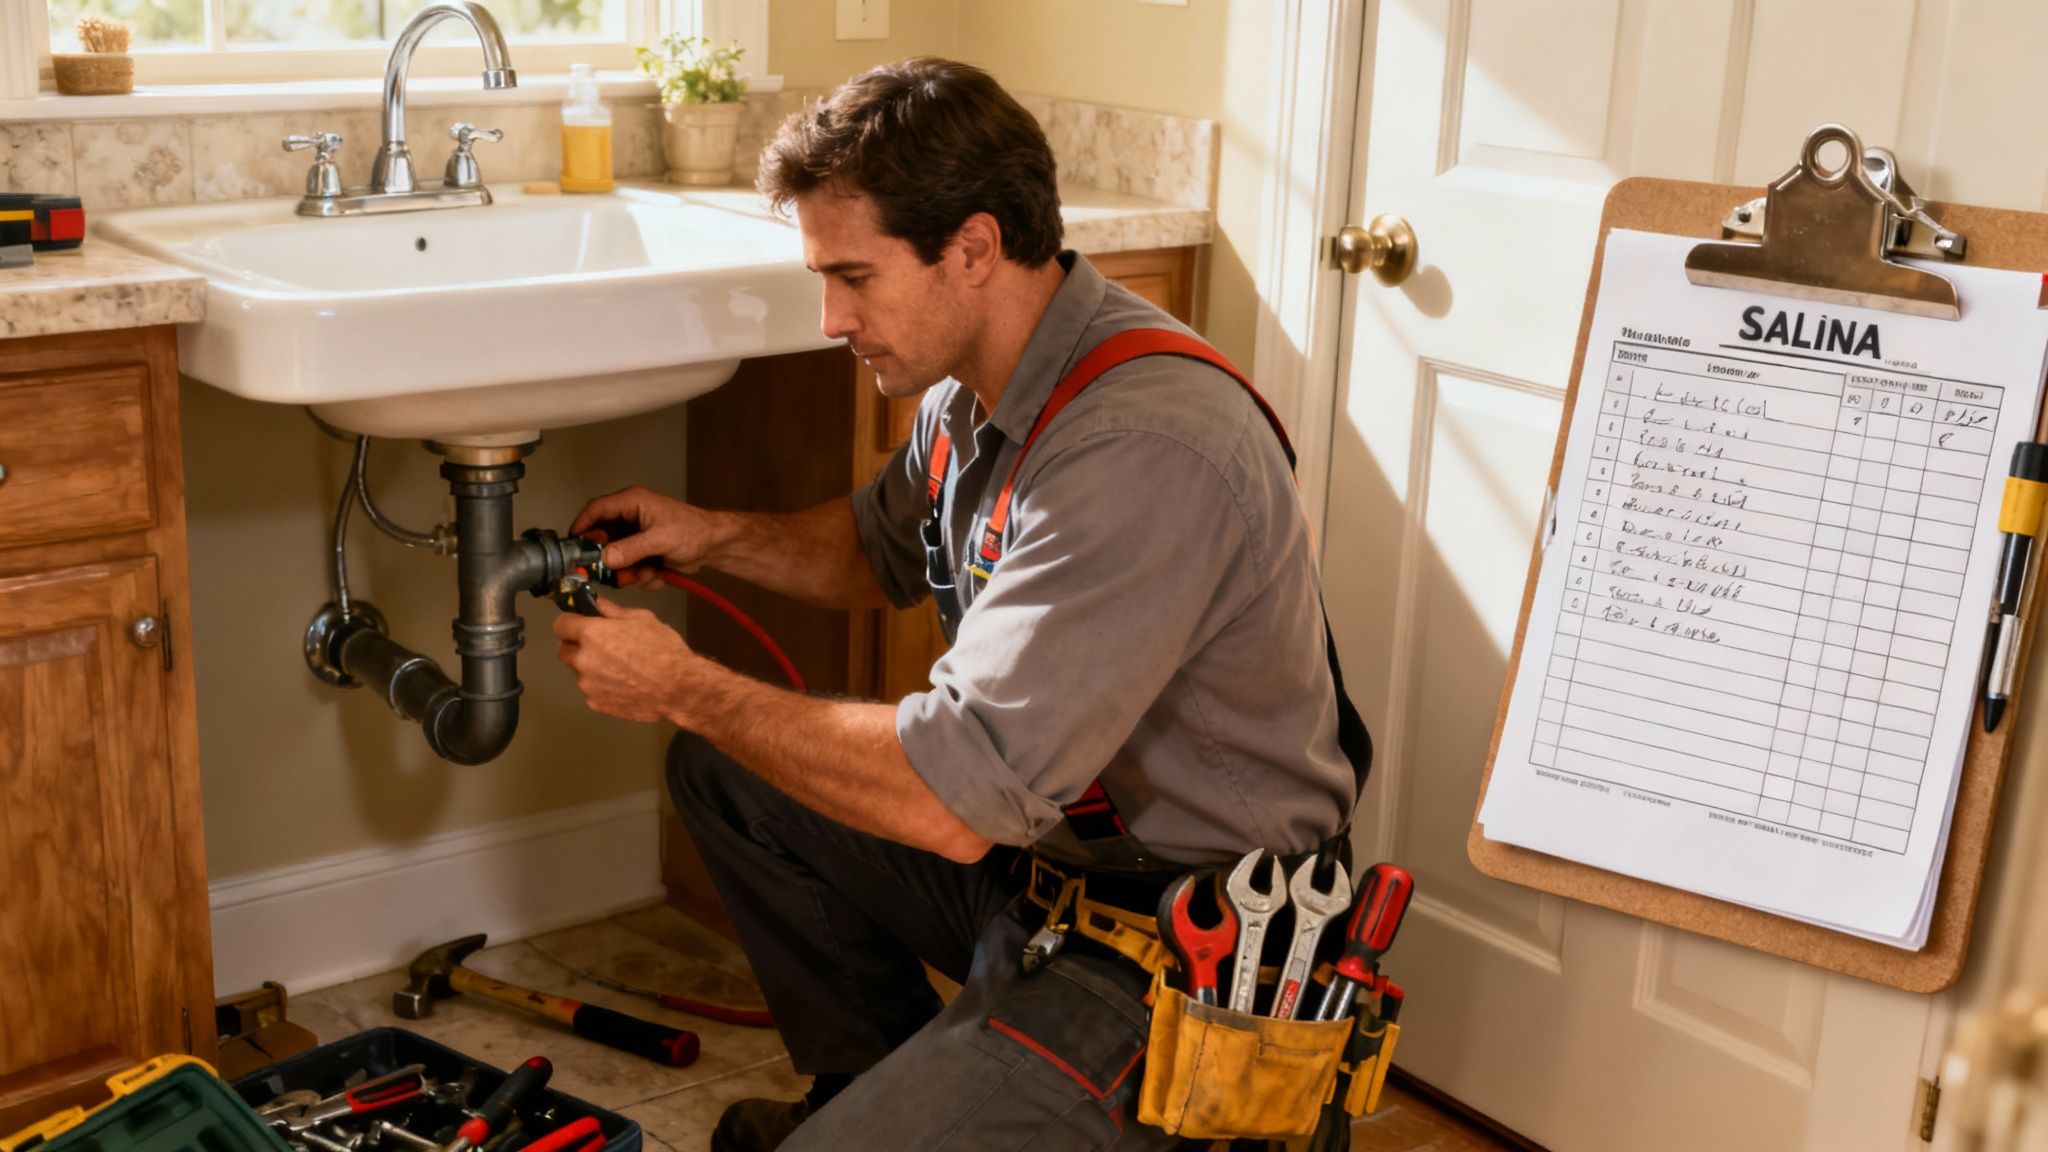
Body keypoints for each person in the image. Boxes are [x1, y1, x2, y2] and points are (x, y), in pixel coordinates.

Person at [553, 57, 1361, 1152]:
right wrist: (712, 535)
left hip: (1190, 951)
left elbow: (950, 799)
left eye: (854, 276)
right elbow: (873, 550)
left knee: (721, 729)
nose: (830, 318)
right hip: (1045, 880)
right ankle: (869, 1092)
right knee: (729, 774)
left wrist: (682, 685)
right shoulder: (969, 392)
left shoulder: (1142, 445)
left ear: (973, 248)